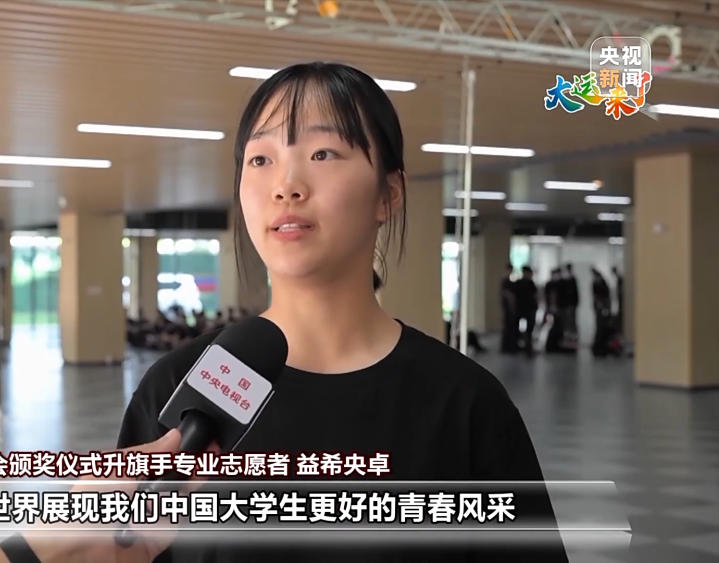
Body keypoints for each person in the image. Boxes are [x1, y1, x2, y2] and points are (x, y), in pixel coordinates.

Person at [118, 63, 564, 562]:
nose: (286, 186)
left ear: (388, 194)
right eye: (260, 159)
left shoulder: (466, 404)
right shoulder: (177, 389)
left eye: (322, 153)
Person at [514, 266, 539, 356]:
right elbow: (535, 296)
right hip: (529, 308)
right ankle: (527, 347)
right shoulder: (530, 283)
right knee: (529, 329)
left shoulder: (518, 283)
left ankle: (519, 345)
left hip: (520, 308)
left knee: (518, 328)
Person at [499, 263, 518, 353]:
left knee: (509, 327)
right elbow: (508, 295)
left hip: (508, 307)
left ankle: (509, 346)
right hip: (508, 308)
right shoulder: (505, 281)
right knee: (508, 327)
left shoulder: (508, 282)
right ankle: (507, 347)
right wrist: (512, 306)